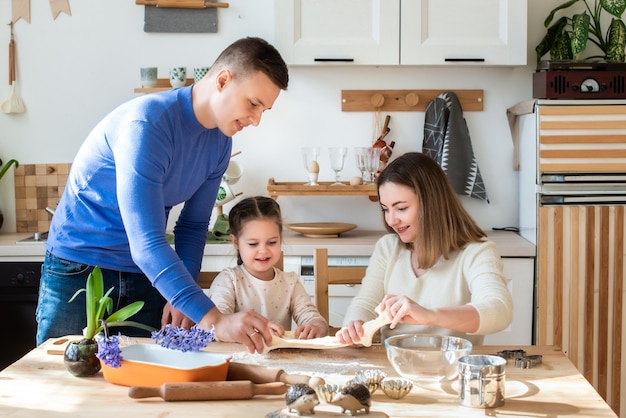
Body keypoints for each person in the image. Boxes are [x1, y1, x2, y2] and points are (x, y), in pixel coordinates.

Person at [36, 37, 289, 354]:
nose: (256, 120)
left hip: (148, 275)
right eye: (253, 104)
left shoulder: (220, 144)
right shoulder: (148, 124)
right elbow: (146, 242)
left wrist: (179, 294)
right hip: (81, 271)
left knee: (140, 386)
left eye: (263, 110)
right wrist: (214, 319)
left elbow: (194, 226)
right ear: (223, 80)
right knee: (64, 383)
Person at [336, 152, 513, 346]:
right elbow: (366, 304)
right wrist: (354, 325)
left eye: (401, 208)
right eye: (386, 209)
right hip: (396, 368)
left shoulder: (476, 252)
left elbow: (499, 310)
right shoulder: (387, 248)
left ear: (431, 203)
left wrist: (429, 315)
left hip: (454, 369)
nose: (391, 220)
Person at [207, 196, 328, 339]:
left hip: (280, 359)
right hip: (238, 357)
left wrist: (316, 326)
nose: (263, 251)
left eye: (271, 242)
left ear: (280, 239)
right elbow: (215, 326)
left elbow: (311, 317)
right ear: (236, 242)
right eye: (253, 244)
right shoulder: (229, 281)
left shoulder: (290, 282)